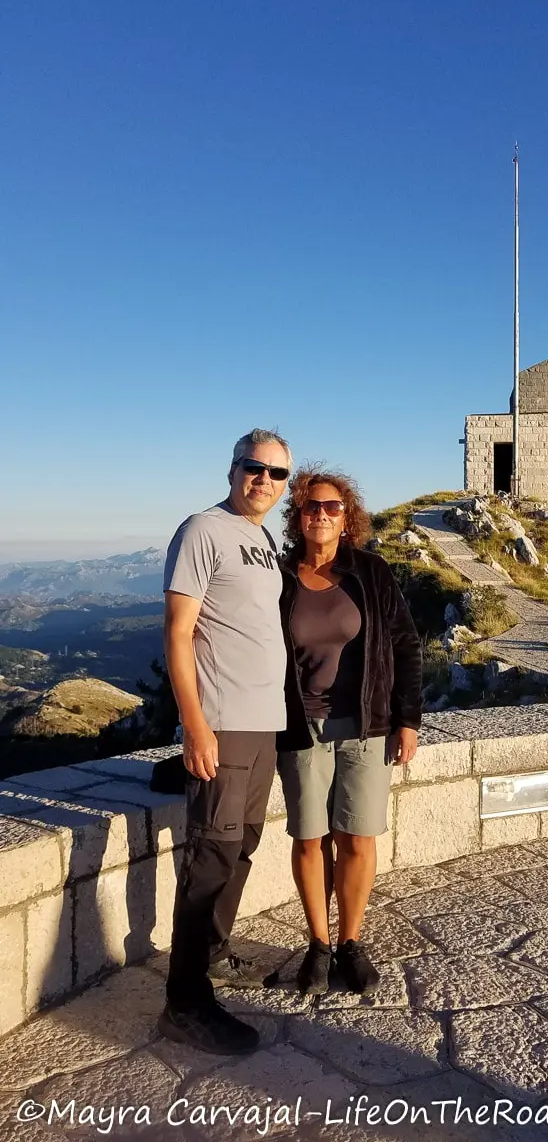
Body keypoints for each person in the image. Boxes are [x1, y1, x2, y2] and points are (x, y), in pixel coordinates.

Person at [157, 428, 291, 1055]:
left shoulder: (263, 538)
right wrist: (195, 725)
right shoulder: (202, 529)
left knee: (243, 848)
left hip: (263, 723)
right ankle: (184, 1004)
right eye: (253, 467)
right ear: (233, 468)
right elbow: (178, 633)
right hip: (223, 720)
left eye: (276, 473)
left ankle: (212, 954)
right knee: (212, 854)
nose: (264, 479)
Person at [277, 467, 422, 995]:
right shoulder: (280, 575)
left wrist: (408, 719)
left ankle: (350, 943)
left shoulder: (371, 573)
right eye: (311, 506)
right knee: (310, 837)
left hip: (366, 725)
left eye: (331, 507)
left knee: (358, 836)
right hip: (300, 725)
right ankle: (318, 944)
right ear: (297, 516)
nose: (320, 513)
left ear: (347, 518)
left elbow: (405, 646)